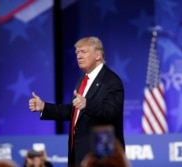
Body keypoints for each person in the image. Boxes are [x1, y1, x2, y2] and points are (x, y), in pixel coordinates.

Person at [28, 36, 125, 166]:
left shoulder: (111, 81)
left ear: (98, 55)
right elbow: (74, 111)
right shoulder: (82, 80)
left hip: (101, 155)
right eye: (77, 53)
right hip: (79, 153)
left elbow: (111, 111)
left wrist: (87, 104)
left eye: (84, 52)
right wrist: (44, 107)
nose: (79, 56)